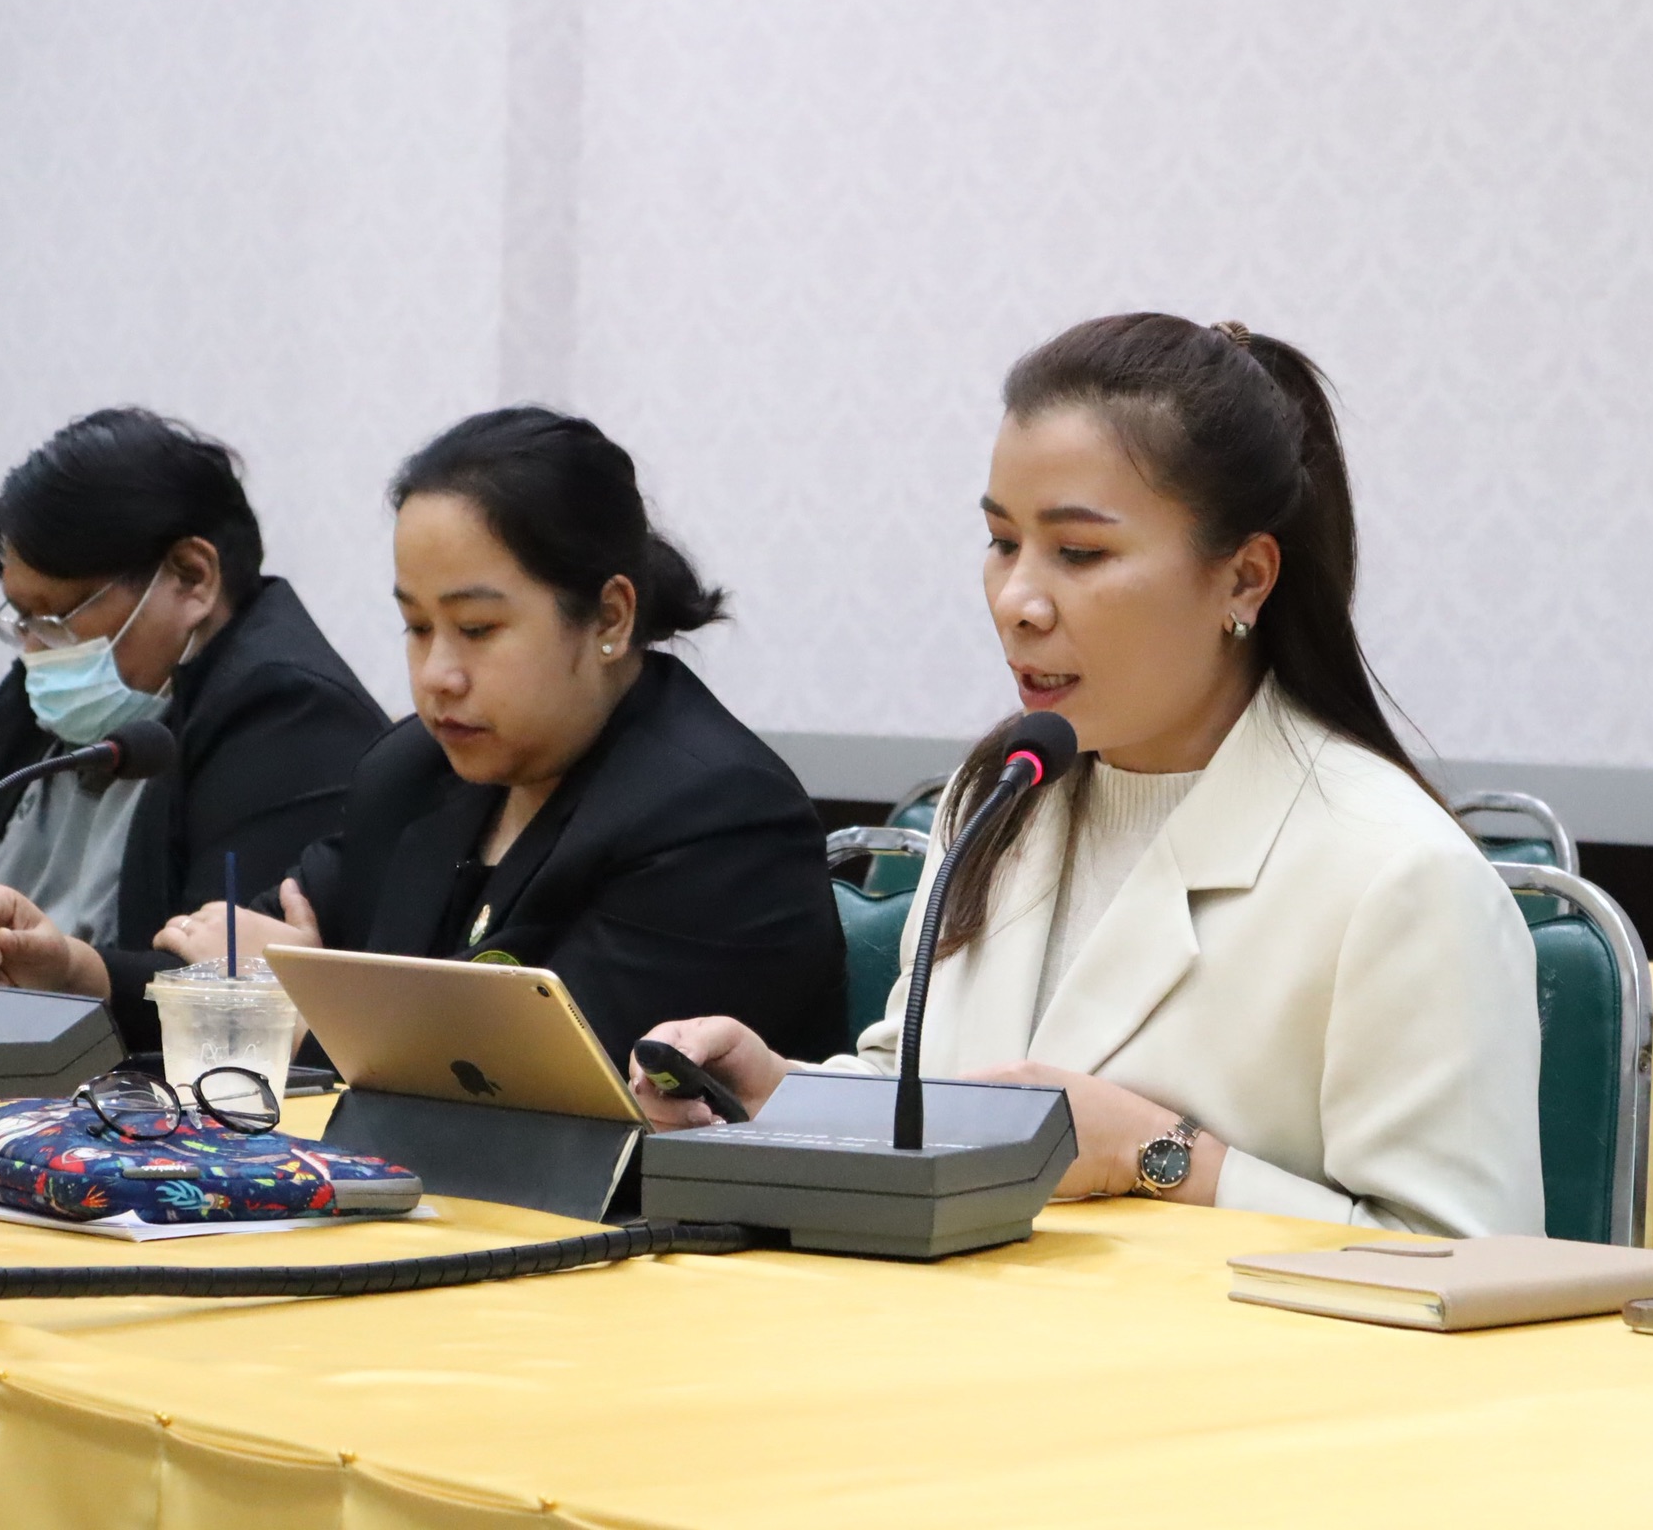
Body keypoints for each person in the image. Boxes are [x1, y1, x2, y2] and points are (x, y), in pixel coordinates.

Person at [633, 315, 1544, 1239]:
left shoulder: (1399, 873)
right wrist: (776, 1095)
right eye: (1002, 542)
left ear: (1244, 579)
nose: (1017, 601)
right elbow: (933, 1100)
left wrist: (1157, 1155)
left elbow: (1471, 1270)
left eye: (1079, 553)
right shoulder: (1001, 797)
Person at [156, 406, 848, 1066]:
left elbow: (555, 1089)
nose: (437, 675)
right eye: (417, 627)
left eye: (477, 629)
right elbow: (237, 948)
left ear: (609, 617)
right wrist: (99, 972)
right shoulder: (412, 770)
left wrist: (313, 1008)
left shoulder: (717, 815)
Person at [0, 408, 388, 1052]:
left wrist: (63, 977)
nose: (36, 651)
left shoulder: (289, 714)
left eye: (57, 618)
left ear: (191, 576)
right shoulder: (30, 699)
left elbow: (220, 994)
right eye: (23, 619)